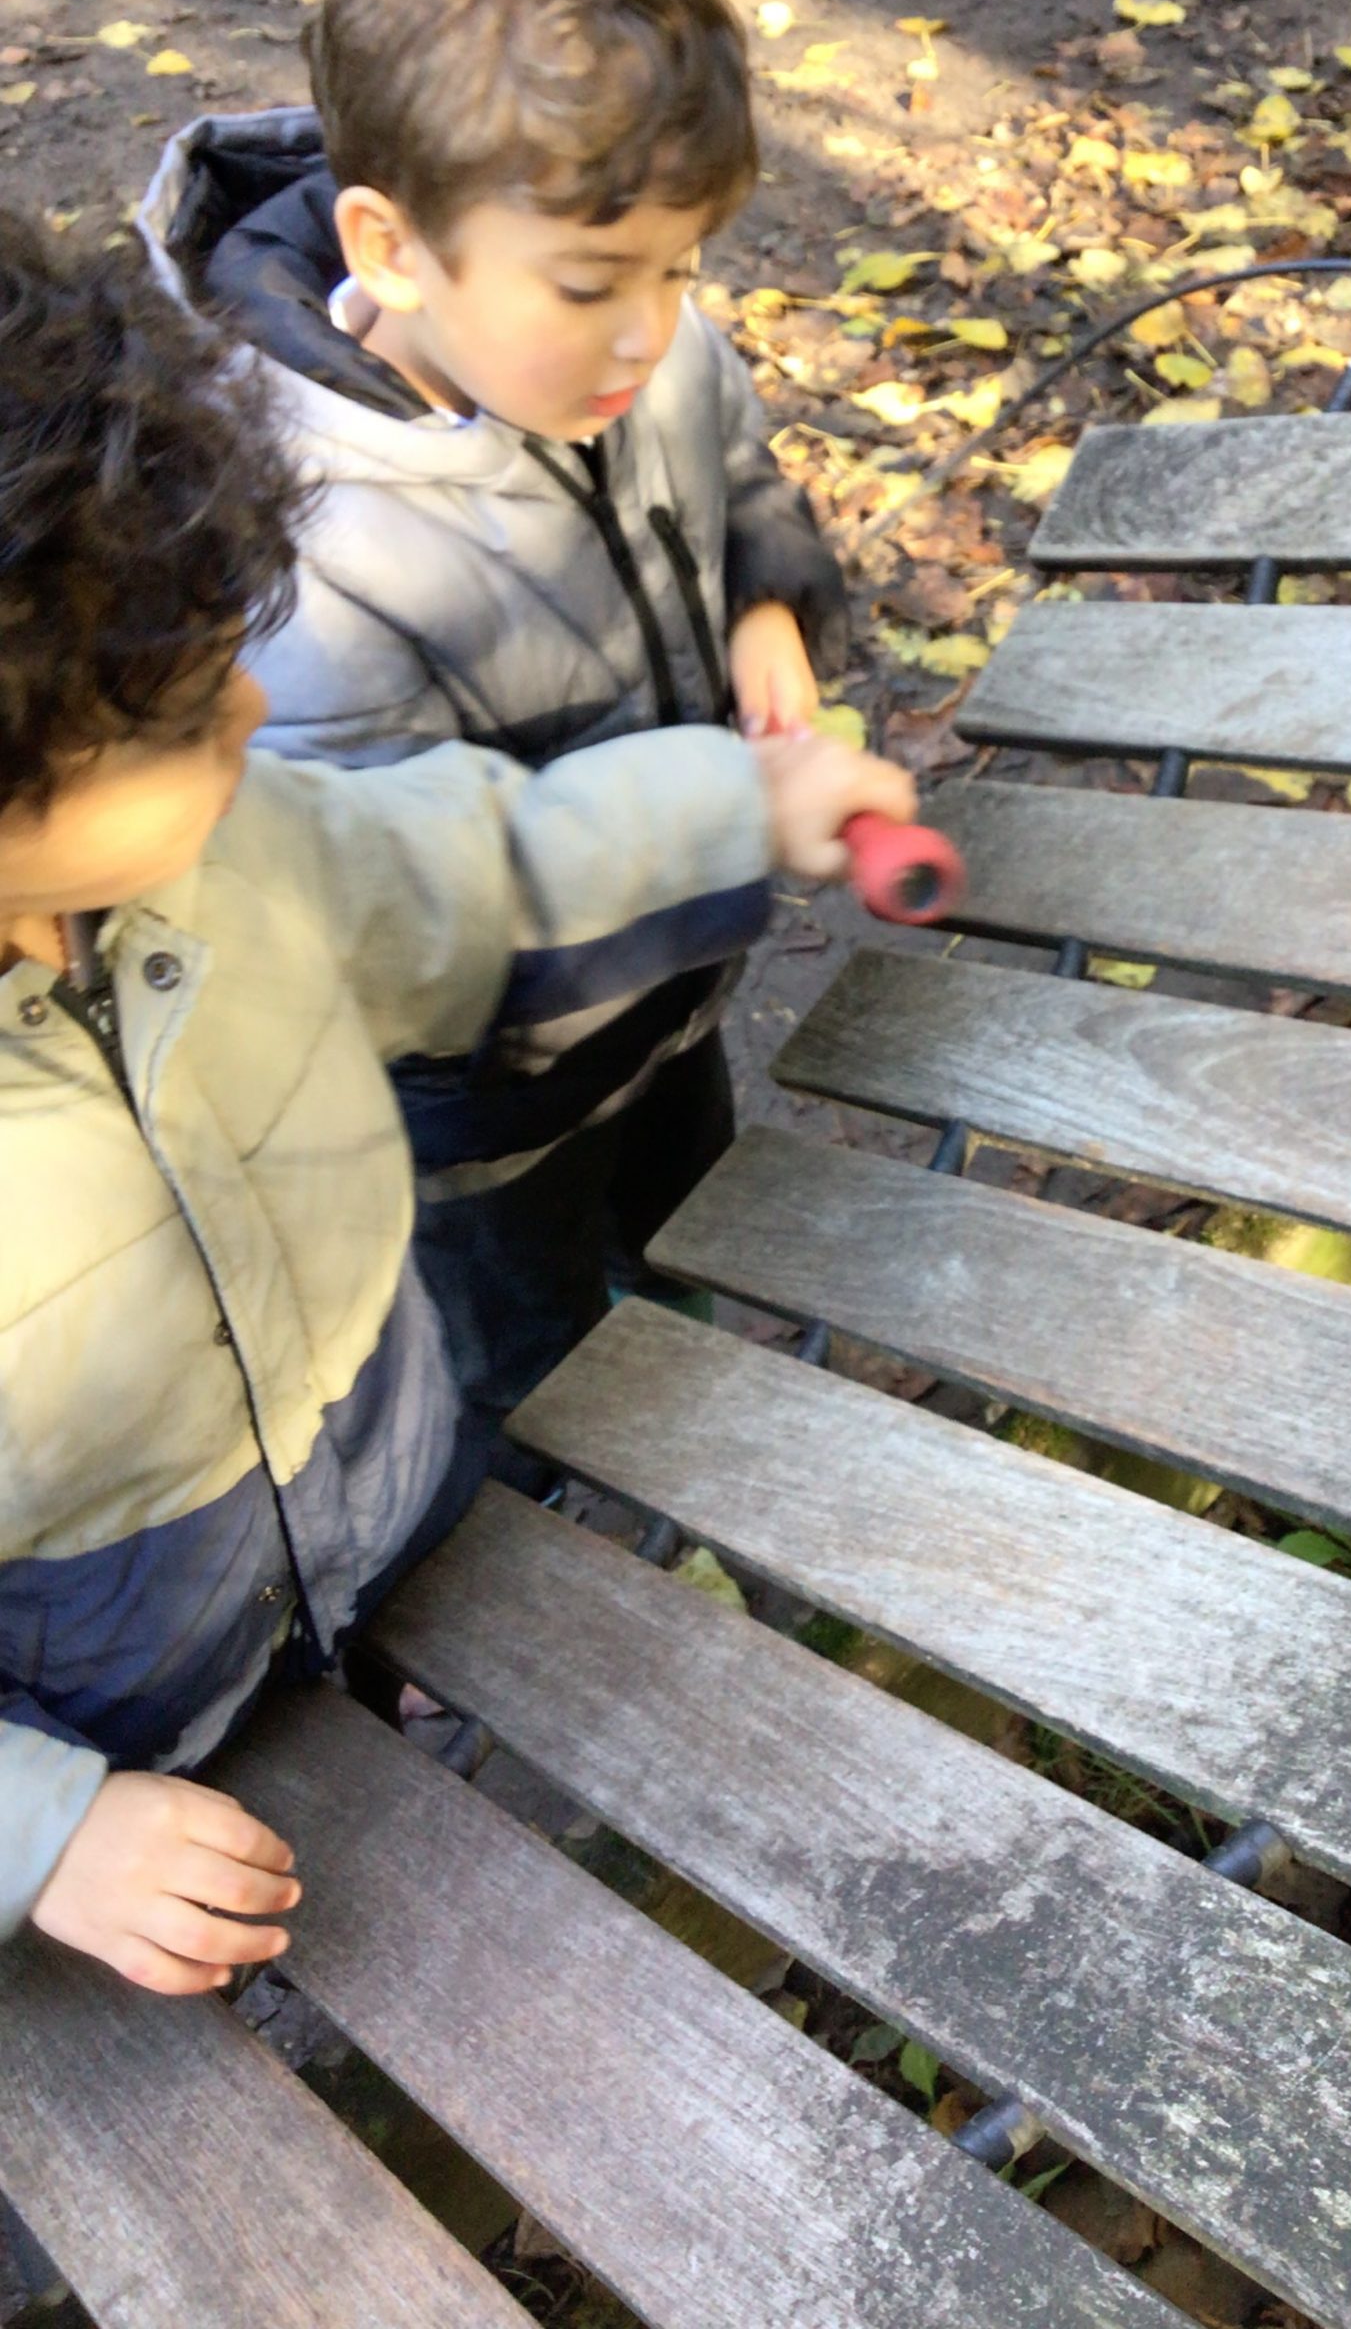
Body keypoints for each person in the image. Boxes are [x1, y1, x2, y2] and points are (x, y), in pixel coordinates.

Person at [0, 212, 912, 1993]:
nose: (252, 707)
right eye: (176, 718)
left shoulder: (224, 854)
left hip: (385, 1489)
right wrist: (45, 1833)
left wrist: (737, 808)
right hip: (97, 1717)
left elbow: (468, 867)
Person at [139, 0, 850, 1430]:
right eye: (596, 284)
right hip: (481, 1122)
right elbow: (400, 919)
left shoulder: (632, 353)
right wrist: (737, 817)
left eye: (683, 269)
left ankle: (701, 1449)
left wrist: (766, 605)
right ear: (390, 246)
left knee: (691, 1281)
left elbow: (738, 465)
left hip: (670, 995)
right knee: (540, 1394)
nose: (652, 332)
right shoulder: (306, 550)